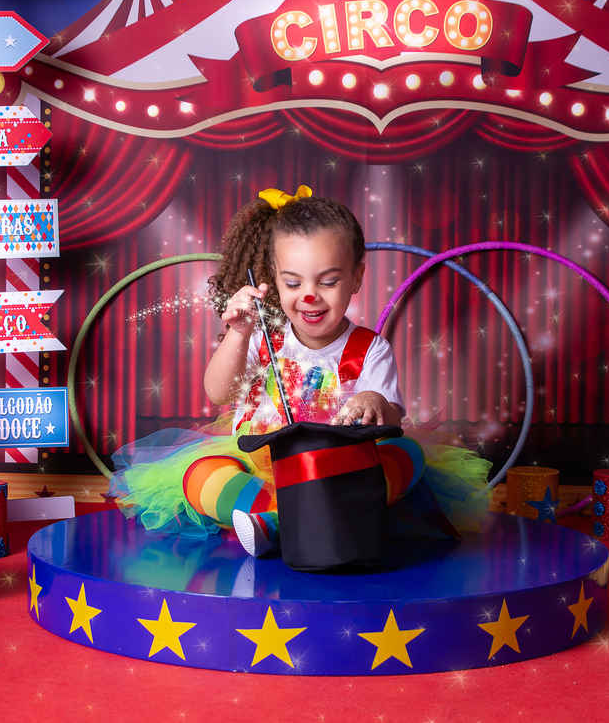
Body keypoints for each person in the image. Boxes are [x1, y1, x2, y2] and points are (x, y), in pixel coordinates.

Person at [109, 186, 491, 558]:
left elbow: (392, 420)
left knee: (408, 453)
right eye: (293, 282)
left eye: (329, 281)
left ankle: (292, 521)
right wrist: (238, 333)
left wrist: (374, 400)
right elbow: (219, 393)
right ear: (275, 277)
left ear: (357, 277)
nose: (310, 295)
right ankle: (276, 519)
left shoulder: (370, 349)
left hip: (339, 475)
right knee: (201, 473)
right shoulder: (261, 337)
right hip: (258, 467)